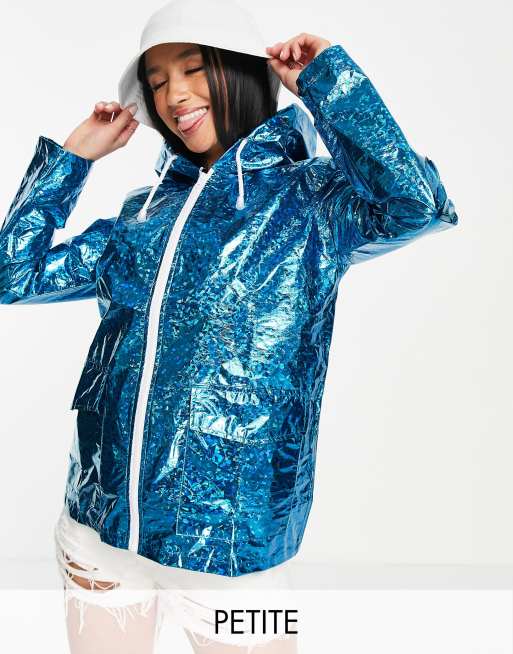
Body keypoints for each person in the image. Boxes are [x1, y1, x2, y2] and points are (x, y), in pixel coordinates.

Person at [0, 0, 459, 651]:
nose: (173, 95)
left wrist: (329, 83)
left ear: (240, 72)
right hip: (98, 532)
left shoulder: (313, 201)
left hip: (231, 550)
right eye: (157, 81)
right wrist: (71, 160)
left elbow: (419, 205)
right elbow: (12, 276)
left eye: (193, 70)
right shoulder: (141, 216)